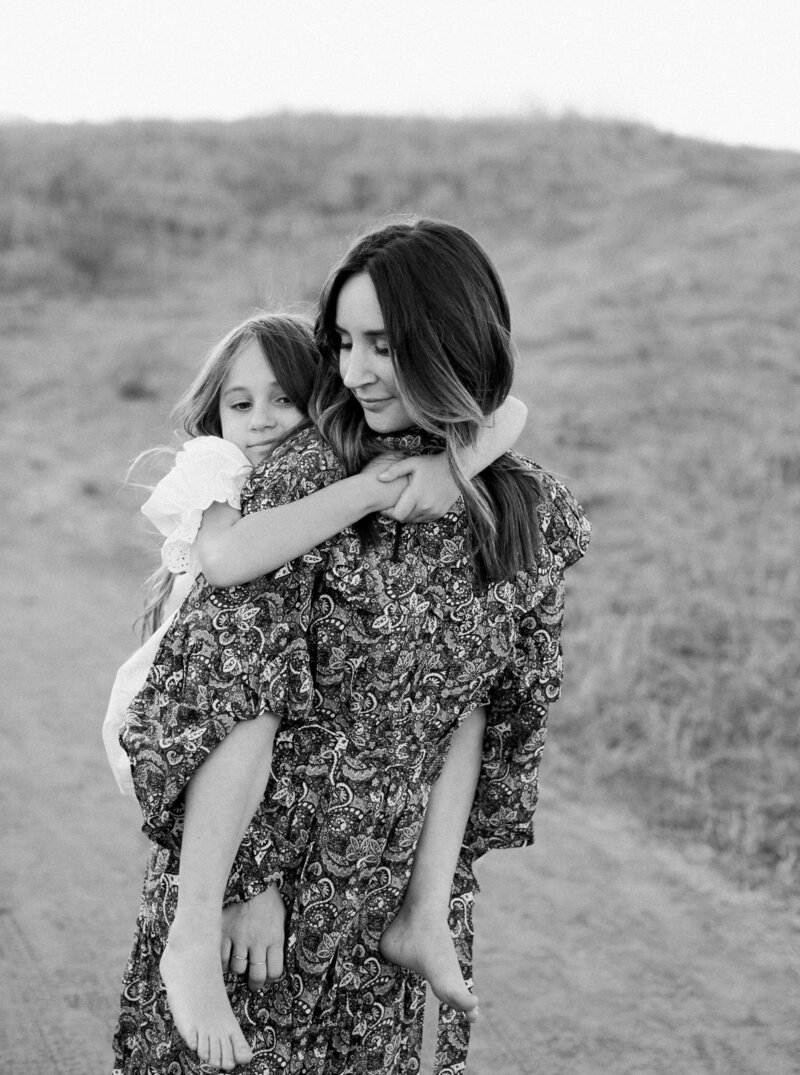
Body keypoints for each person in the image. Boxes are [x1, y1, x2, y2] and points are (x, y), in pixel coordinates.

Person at [114, 218, 590, 1075]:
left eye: (384, 342)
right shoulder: (308, 475)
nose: (356, 370)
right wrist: (244, 880)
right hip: (260, 892)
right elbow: (223, 680)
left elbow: (497, 712)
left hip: (388, 894)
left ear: (449, 337)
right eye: (344, 342)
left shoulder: (528, 510)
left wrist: (429, 900)